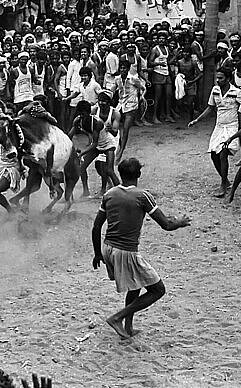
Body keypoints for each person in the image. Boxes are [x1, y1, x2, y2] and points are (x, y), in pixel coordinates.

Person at [92, 158, 191, 339]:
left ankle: (128, 327)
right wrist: (180, 222)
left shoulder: (110, 194)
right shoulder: (142, 196)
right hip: (125, 251)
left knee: (135, 285)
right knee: (158, 290)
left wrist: (97, 253)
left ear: (120, 174)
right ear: (139, 174)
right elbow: (166, 225)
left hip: (108, 248)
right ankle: (117, 318)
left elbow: (96, 226)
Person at [189, 68, 241, 198]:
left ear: (228, 78)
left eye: (221, 78)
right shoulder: (215, 90)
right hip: (219, 127)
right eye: (217, 78)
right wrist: (197, 120)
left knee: (223, 153)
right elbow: (210, 108)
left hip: (231, 127)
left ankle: (223, 185)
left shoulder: (236, 92)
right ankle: (226, 181)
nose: (218, 80)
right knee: (214, 154)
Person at [79, 90, 121, 197]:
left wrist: (110, 129)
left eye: (104, 101)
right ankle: (86, 192)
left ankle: (118, 191)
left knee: (107, 169)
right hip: (97, 142)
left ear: (109, 102)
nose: (101, 103)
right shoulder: (94, 110)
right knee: (89, 167)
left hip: (110, 142)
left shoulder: (115, 113)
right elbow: (90, 125)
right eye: (100, 101)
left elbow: (115, 133)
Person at [111, 60, 145, 162]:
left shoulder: (133, 79)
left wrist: (141, 98)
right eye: (121, 68)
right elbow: (112, 90)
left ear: (128, 69)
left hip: (131, 105)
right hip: (121, 105)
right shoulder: (117, 79)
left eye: (124, 68)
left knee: (125, 130)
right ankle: (117, 148)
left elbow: (143, 88)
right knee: (115, 128)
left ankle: (121, 151)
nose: (122, 70)